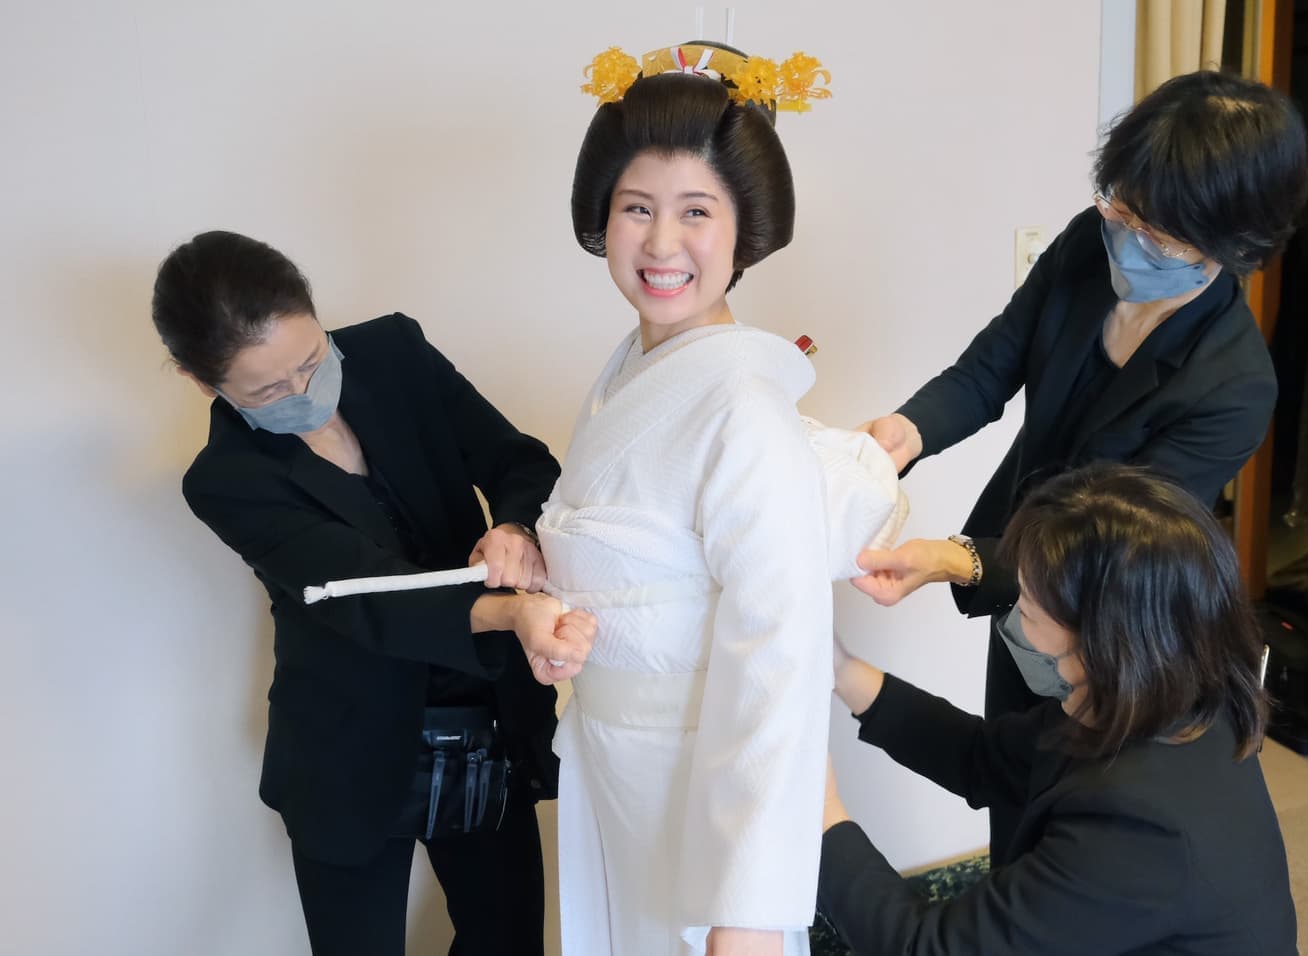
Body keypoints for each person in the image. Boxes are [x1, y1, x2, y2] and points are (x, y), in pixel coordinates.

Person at [852, 70, 1308, 859]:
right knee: (1006, 789)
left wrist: (953, 559)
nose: (1129, 241)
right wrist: (903, 434)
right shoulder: (1085, 248)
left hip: (1119, 631)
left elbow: (1109, 546)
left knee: (1074, 835)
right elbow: (990, 368)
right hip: (1015, 585)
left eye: (1162, 237)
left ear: (1236, 246)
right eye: (1121, 210)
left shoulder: (1232, 386)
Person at [539, 42, 899, 956]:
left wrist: (745, 913)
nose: (661, 244)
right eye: (637, 210)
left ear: (745, 231)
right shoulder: (633, 372)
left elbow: (776, 663)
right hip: (619, 765)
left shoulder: (742, 405)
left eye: (695, 212)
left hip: (703, 793)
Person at [151, 231, 596, 956]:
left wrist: (516, 526)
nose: (303, 396)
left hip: (484, 725)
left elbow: (519, 461)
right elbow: (360, 596)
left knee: (507, 940)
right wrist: (513, 612)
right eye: (267, 389)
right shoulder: (225, 480)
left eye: (311, 361)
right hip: (346, 754)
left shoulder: (394, 354)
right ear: (201, 381)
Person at [821, 463, 1298, 955]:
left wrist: (823, 816)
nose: (1019, 625)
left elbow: (925, 949)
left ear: (1102, 640)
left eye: (1026, 609)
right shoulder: (1164, 694)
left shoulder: (1137, 826)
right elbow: (984, 758)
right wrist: (842, 670)